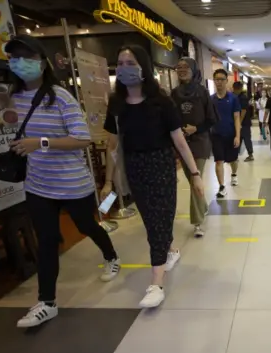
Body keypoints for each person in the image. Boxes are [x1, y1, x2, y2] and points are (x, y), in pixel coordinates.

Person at [5, 35, 121, 328]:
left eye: (27, 58)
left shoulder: (60, 97)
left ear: (43, 64)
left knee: (86, 226)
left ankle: (111, 255)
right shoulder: (13, 98)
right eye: (14, 58)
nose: (20, 64)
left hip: (72, 183)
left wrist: (40, 143)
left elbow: (82, 138)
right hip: (37, 184)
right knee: (46, 241)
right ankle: (47, 302)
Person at [101, 45, 204, 308]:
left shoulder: (162, 101)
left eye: (130, 62)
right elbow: (112, 146)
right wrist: (108, 182)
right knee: (152, 221)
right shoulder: (115, 104)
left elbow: (179, 142)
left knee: (160, 221)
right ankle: (169, 250)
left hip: (161, 166)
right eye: (120, 63)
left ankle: (156, 282)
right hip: (135, 168)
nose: (124, 68)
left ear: (143, 67)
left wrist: (194, 174)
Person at [171, 57, 217, 238]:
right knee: (192, 180)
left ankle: (197, 222)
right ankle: (203, 206)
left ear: (193, 69)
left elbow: (212, 119)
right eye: (179, 67)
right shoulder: (174, 94)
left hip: (200, 142)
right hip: (182, 143)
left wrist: (195, 128)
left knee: (195, 177)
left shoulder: (202, 92)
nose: (182, 70)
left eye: (185, 67)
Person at [211, 69, 241, 198]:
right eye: (216, 79)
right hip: (216, 135)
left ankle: (234, 174)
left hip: (231, 134)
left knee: (233, 160)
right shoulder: (210, 99)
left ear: (226, 81)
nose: (219, 82)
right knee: (219, 161)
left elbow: (236, 118)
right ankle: (222, 186)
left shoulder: (233, 98)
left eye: (221, 79)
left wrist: (237, 136)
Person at [233, 81, 254, 162]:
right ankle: (235, 156)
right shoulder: (234, 96)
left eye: (237, 89)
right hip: (238, 122)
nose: (236, 91)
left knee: (246, 138)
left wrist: (239, 122)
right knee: (238, 138)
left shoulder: (243, 98)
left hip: (244, 123)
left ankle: (250, 155)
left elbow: (244, 111)